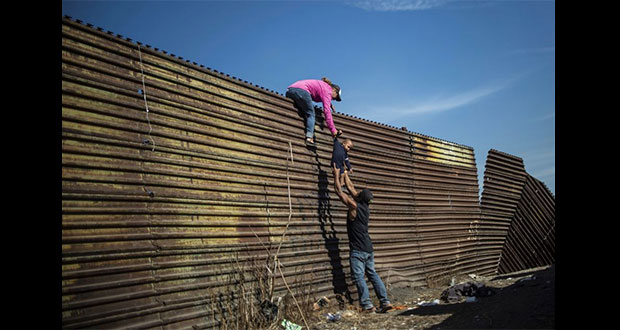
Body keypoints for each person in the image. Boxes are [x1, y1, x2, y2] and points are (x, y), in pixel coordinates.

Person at [332, 168, 394, 313]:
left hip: (358, 250)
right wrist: (345, 174)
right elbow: (351, 188)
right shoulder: (365, 206)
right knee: (372, 274)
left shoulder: (354, 207)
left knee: (359, 277)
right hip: (368, 248)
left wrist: (336, 174)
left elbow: (339, 192)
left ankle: (367, 305)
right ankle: (385, 302)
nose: (356, 192)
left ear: (359, 197)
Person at [286, 77, 343, 146]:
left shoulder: (325, 87)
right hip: (302, 91)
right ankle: (309, 138)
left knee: (303, 109)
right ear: (334, 90)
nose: (334, 99)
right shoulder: (328, 91)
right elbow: (327, 111)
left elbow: (322, 95)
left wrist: (330, 104)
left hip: (290, 90)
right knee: (311, 114)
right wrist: (333, 130)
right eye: (336, 97)